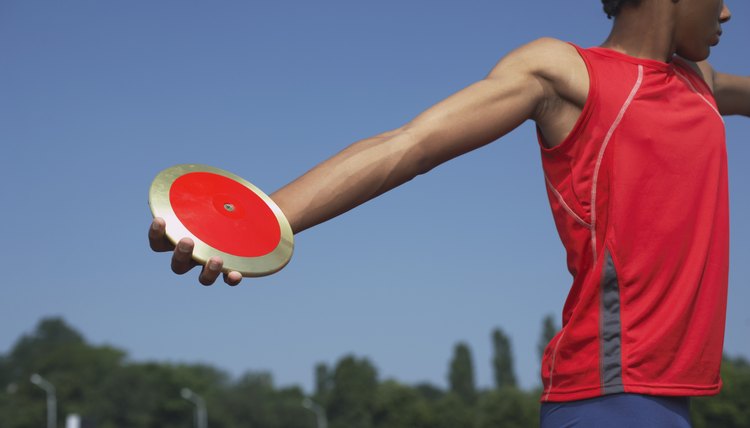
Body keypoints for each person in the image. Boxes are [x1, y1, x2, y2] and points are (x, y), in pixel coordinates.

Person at [149, 0, 749, 426]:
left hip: (674, 398)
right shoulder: (568, 73)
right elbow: (406, 146)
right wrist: (258, 219)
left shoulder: (697, 82)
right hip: (609, 395)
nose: (727, 14)